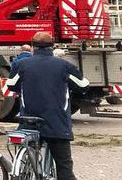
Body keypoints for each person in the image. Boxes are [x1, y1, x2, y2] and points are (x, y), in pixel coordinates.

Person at [7, 32, 89, 180]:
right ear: (52, 46)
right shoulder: (64, 66)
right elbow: (83, 86)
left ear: (33, 47)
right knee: (64, 166)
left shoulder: (21, 64)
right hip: (56, 122)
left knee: (29, 152)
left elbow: (11, 85)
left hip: (29, 121)